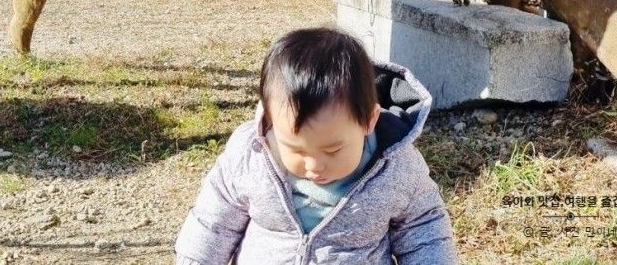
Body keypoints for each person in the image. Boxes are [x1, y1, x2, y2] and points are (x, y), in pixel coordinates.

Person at [175, 27, 457, 264]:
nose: (313, 166)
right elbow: (213, 223)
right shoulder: (249, 156)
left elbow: (424, 229)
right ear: (271, 120)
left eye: (333, 150)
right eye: (295, 149)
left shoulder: (396, 167)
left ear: (369, 121)